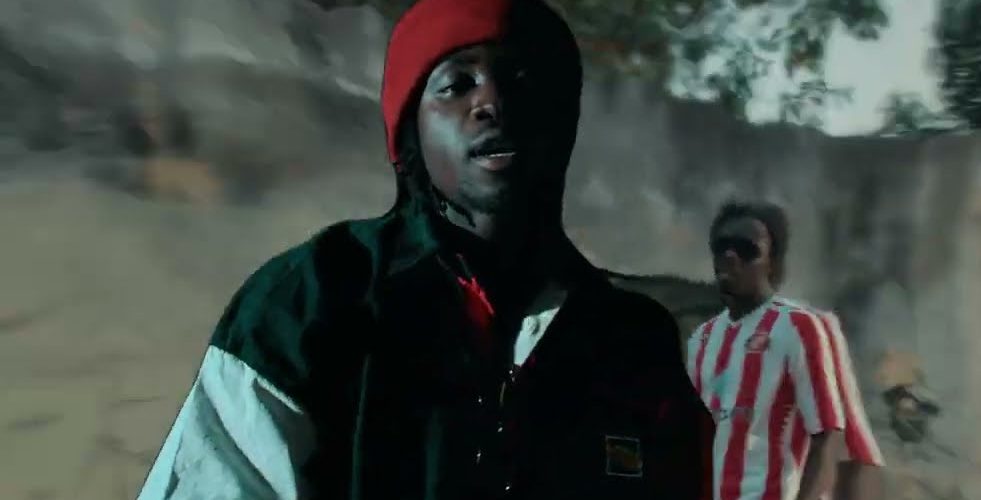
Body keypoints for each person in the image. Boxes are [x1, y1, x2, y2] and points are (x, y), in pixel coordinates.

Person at [137, 0, 709, 498]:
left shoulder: (634, 342)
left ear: (562, 121)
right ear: (411, 134)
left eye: (522, 77)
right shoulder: (312, 301)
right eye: (456, 85)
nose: (492, 101)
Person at [687, 200, 884, 500]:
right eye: (722, 246)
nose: (730, 256)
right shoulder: (701, 339)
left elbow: (828, 435)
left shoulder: (799, 327)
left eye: (747, 249)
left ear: (772, 261)